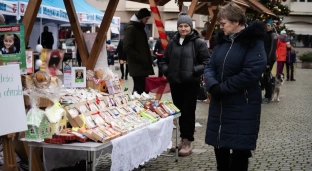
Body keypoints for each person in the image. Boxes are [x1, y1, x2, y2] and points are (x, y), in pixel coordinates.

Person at [204, 2, 266, 170]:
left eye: (223, 23)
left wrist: (221, 89)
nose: (221, 27)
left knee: (239, 154)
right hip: (220, 106)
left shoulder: (253, 42)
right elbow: (210, 66)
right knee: (220, 149)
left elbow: (250, 73)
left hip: (242, 106)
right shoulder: (223, 41)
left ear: (237, 21)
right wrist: (212, 84)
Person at [160, 12, 209, 156]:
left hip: (190, 83)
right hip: (176, 82)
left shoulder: (198, 43)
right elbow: (164, 61)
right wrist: (167, 71)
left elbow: (206, 62)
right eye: (181, 26)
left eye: (186, 26)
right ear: (177, 27)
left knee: (188, 113)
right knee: (179, 112)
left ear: (191, 27)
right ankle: (182, 139)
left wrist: (194, 71)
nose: (183, 29)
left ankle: (188, 141)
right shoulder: (172, 42)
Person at [123, 8, 154, 94]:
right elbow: (127, 47)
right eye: (146, 19)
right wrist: (140, 57)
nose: (147, 21)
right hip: (138, 66)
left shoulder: (139, 27)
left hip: (142, 66)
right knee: (139, 90)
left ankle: (141, 105)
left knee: (144, 89)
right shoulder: (132, 28)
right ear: (141, 17)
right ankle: (136, 106)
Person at [262, 20, 278, 103]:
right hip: (264, 58)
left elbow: (272, 49)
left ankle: (268, 96)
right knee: (263, 77)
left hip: (269, 59)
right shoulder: (264, 34)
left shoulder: (273, 35)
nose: (267, 27)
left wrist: (268, 62)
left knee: (266, 77)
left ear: (271, 26)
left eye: (268, 25)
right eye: (266, 25)